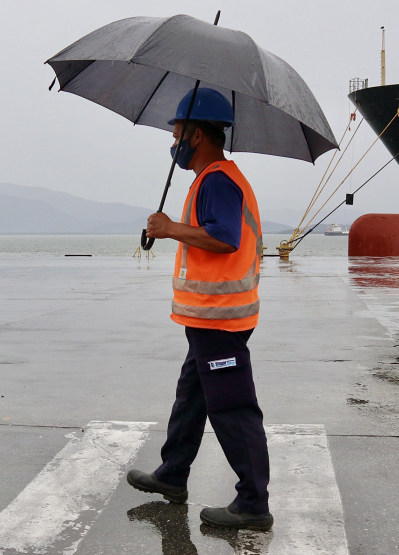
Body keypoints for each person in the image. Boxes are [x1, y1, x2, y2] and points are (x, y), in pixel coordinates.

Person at [126, 88, 272, 531]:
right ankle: (173, 475)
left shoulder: (218, 180)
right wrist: (170, 228)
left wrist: (171, 229)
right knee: (192, 396)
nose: (173, 142)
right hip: (207, 317)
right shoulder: (209, 179)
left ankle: (253, 503)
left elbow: (225, 238)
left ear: (198, 134)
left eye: (177, 132)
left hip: (221, 317)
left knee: (232, 405)